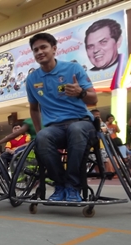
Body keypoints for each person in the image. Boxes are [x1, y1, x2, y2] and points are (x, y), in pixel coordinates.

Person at [26, 33, 98, 202]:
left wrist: (80, 92)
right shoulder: (32, 79)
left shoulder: (73, 69)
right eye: (35, 50)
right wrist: (39, 132)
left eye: (43, 47)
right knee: (42, 137)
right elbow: (34, 109)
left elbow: (94, 99)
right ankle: (59, 186)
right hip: (55, 128)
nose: (39, 52)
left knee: (76, 129)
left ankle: (73, 187)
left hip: (81, 122)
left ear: (54, 49)